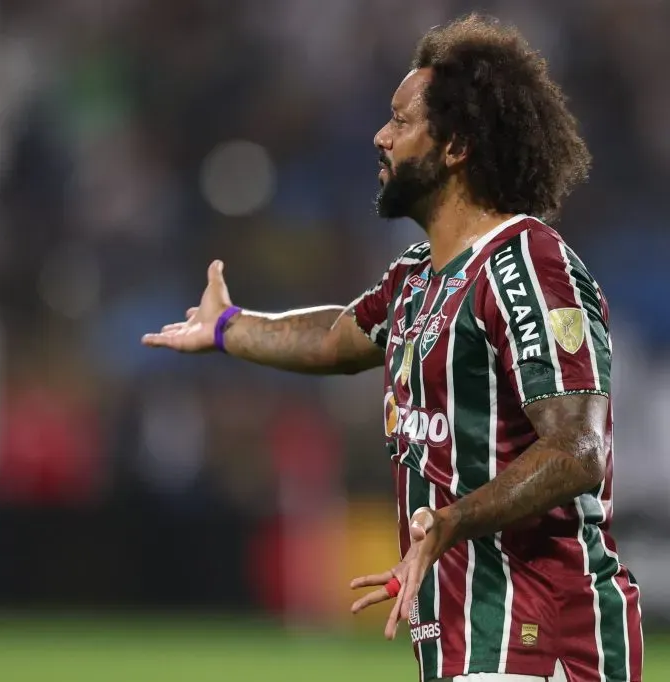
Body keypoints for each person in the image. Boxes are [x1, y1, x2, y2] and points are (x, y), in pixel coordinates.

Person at [141, 14, 642, 682]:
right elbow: (336, 338)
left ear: (456, 146)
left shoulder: (527, 265)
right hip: (468, 637)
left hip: (539, 635)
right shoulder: (418, 277)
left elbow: (577, 449)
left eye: (401, 122)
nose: (381, 136)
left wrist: (452, 520)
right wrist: (230, 326)